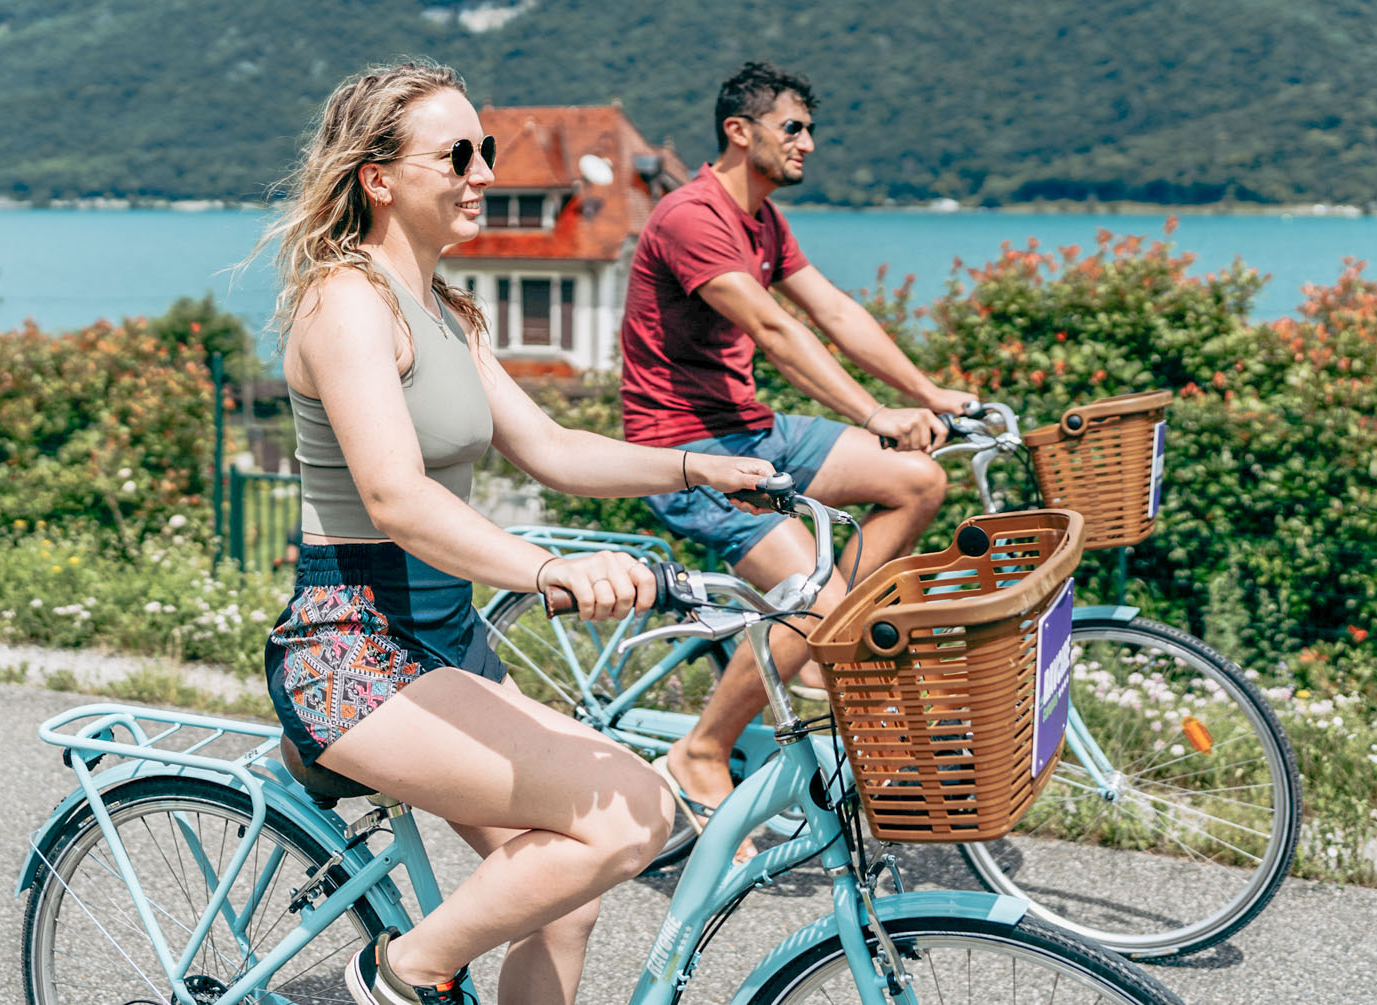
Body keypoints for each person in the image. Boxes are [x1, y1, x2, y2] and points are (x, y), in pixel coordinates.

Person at [263, 59, 776, 1005]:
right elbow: (397, 501)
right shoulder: (347, 301)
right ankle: (393, 973)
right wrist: (550, 571)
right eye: (456, 154)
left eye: (485, 150)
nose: (484, 173)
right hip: (354, 650)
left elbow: (551, 447)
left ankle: (408, 969)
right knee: (632, 815)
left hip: (441, 640)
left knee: (566, 895)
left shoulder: (448, 311)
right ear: (378, 177)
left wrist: (700, 464)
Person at [619, 60, 976, 851]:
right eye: (794, 127)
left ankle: (811, 641)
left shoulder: (766, 221)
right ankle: (701, 749)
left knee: (918, 480)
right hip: (686, 445)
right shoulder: (692, 216)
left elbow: (834, 310)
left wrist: (927, 390)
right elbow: (778, 332)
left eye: (811, 128)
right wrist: (875, 410)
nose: (809, 142)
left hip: (754, 427)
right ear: (739, 132)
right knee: (811, 600)